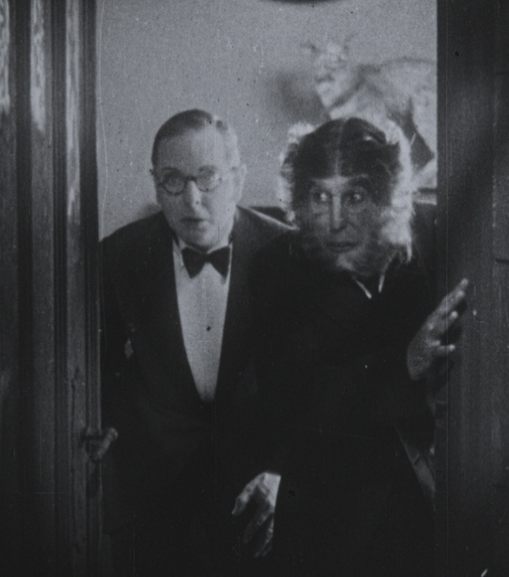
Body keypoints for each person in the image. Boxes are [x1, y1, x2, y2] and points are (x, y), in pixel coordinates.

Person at [248, 117, 469, 576]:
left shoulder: (434, 240)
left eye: (354, 197)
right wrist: (405, 363)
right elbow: (297, 404)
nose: (335, 221)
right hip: (329, 524)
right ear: (299, 201)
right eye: (319, 197)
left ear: (388, 199)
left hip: (432, 513)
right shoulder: (274, 270)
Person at [99, 109, 289, 576]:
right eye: (172, 180)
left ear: (238, 180)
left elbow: (313, 383)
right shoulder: (118, 257)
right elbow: (100, 367)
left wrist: (284, 473)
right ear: (155, 184)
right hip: (157, 495)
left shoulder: (289, 254)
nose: (191, 198)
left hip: (259, 494)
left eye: (208, 178)